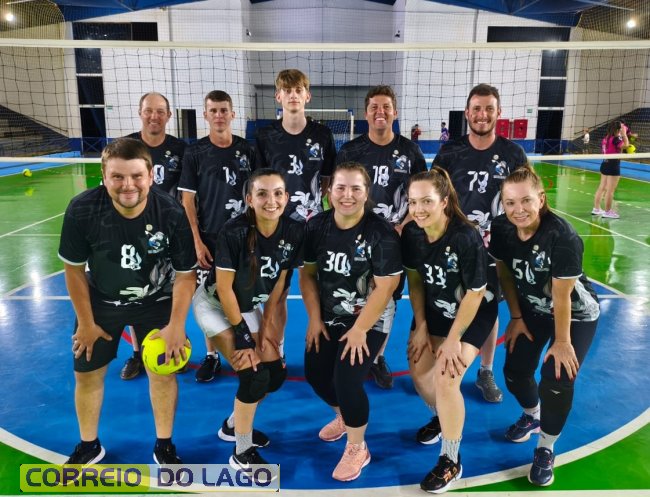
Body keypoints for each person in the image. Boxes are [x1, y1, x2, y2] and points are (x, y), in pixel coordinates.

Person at [58, 137, 196, 465]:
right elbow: (74, 270)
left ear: (150, 175)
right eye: (117, 176)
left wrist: (177, 325)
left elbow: (185, 275)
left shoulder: (170, 211)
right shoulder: (82, 209)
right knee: (87, 373)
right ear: (104, 177)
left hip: (156, 299)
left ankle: (164, 445)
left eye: (136, 176)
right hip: (102, 300)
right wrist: (86, 323)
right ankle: (89, 445)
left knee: (162, 372)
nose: (128, 185)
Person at [489, 165, 599, 487]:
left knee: (557, 377)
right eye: (510, 202)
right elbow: (504, 273)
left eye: (526, 201)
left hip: (575, 313)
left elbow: (562, 297)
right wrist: (516, 318)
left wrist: (562, 342)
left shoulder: (562, 237)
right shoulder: (502, 228)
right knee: (514, 371)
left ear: (541, 198)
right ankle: (532, 415)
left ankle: (546, 447)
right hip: (533, 308)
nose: (518, 210)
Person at [191, 168, 304, 468]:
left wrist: (267, 331)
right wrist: (243, 336)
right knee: (253, 375)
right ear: (249, 199)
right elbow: (225, 289)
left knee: (274, 374)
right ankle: (241, 451)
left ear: (287, 197)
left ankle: (233, 425)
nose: (271, 201)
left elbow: (279, 288)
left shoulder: (293, 232)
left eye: (278, 193)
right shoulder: (234, 231)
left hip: (247, 307)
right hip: (215, 305)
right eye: (262, 194)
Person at [300, 162, 402, 482]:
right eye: (341, 187)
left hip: (369, 316)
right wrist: (314, 319)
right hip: (330, 314)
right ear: (329, 191)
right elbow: (307, 275)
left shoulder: (380, 232)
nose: (347, 195)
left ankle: (358, 447)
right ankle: (344, 417)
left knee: (347, 379)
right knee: (316, 374)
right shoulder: (316, 227)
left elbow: (386, 287)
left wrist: (360, 330)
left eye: (356, 188)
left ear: (366, 192)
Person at [432, 83, 527, 408]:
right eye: (476, 109)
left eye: (488, 109)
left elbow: (524, 198)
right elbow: (435, 195)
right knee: (450, 302)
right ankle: (443, 358)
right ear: (467, 113)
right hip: (454, 246)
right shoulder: (450, 152)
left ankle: (485, 370)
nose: (482, 115)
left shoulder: (513, 154)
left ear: (499, 113)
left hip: (496, 248)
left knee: (488, 306)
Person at [403, 167, 497, 493]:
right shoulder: (412, 234)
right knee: (419, 372)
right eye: (412, 202)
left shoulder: (464, 236)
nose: (418, 209)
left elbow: (475, 293)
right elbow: (415, 281)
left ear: (444, 201)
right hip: (435, 307)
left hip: (473, 310)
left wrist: (454, 338)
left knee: (446, 377)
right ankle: (443, 418)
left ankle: (451, 460)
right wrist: (420, 325)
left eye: (426, 201)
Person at [336, 85, 427, 389]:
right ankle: (353, 345)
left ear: (395, 112)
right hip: (356, 239)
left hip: (396, 240)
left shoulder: (410, 152)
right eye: (374, 107)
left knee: (388, 298)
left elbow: (420, 196)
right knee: (354, 294)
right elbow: (339, 193)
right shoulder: (351, 151)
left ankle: (377, 357)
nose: (380, 112)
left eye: (386, 107)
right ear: (366, 113)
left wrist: (402, 227)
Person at [254, 69, 337, 362]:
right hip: (276, 226)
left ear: (307, 96)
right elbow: (260, 183)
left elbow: (327, 182)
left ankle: (324, 349)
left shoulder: (322, 135)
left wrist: (314, 208)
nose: (293, 95)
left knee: (321, 287)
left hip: (313, 225)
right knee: (276, 293)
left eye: (298, 90)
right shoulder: (265, 136)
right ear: (278, 96)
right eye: (287, 91)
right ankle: (277, 351)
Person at [178, 90, 255, 383]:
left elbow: (257, 193)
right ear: (206, 115)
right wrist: (197, 241)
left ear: (232, 114)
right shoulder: (195, 152)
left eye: (224, 110)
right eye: (214, 110)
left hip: (244, 238)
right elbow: (187, 201)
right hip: (210, 239)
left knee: (245, 292)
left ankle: (249, 345)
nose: (219, 115)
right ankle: (211, 356)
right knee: (208, 298)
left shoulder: (248, 149)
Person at [120, 91, 187, 381]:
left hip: (170, 232)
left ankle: (173, 344)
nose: (154, 116)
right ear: (140, 113)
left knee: (171, 294)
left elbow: (187, 193)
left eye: (160, 111)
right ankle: (138, 354)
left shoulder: (181, 149)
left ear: (169, 116)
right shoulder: (126, 147)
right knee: (136, 295)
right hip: (133, 234)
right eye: (149, 110)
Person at [592, 120, 628, 219]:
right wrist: (624, 135)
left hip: (604, 164)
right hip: (613, 165)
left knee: (602, 187)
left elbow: (616, 149)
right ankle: (607, 212)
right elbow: (626, 145)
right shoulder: (616, 139)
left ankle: (596, 209)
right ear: (618, 129)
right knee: (610, 191)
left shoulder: (606, 138)